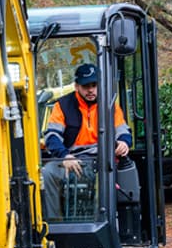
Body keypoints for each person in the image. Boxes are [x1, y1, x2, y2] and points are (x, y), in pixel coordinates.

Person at [41, 63, 132, 220]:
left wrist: (124, 142)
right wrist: (65, 157)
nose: (91, 90)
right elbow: (52, 136)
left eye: (94, 85)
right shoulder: (62, 106)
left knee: (106, 178)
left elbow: (123, 130)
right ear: (77, 86)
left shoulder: (110, 105)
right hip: (72, 160)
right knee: (47, 173)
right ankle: (54, 223)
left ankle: (103, 222)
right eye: (86, 86)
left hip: (101, 159)